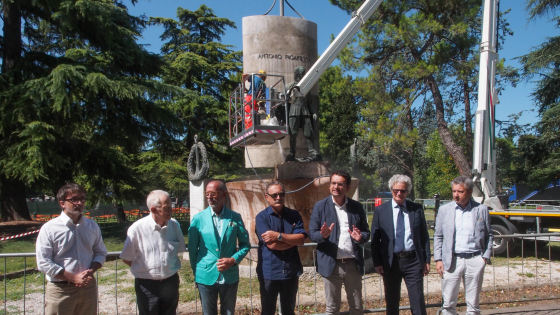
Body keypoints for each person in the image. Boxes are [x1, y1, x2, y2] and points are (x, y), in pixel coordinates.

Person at [36, 183, 107, 315]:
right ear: (62, 203)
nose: (79, 203)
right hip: (60, 290)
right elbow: (43, 262)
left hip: (87, 288)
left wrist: (91, 270)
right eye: (74, 199)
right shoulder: (49, 228)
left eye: (82, 199)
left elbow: (100, 252)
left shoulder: (92, 226)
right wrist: (72, 278)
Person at [308, 170, 370, 314]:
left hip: (352, 264)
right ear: (329, 186)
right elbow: (312, 234)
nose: (336, 187)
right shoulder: (320, 206)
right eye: (333, 183)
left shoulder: (356, 207)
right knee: (332, 308)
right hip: (331, 264)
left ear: (347, 187)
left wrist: (360, 237)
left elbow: (366, 232)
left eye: (340, 184)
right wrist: (323, 235)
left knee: (356, 307)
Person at [188, 180, 251, 315]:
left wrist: (233, 260)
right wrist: (197, 273)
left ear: (224, 195)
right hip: (205, 275)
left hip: (230, 275)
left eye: (213, 194)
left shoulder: (235, 218)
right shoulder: (198, 219)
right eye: (207, 194)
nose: (209, 197)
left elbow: (245, 245)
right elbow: (193, 250)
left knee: (228, 312)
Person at [371, 174, 431, 315]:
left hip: (413, 262)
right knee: (392, 302)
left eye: (403, 191)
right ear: (391, 190)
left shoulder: (416, 209)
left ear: (407, 191)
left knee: (417, 302)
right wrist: (377, 262)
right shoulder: (381, 211)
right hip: (391, 263)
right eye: (396, 190)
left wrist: (427, 259)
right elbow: (375, 239)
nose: (399, 193)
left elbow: (424, 236)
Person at [120, 190, 186, 315]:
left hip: (170, 282)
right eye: (167, 207)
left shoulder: (175, 225)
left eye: (171, 206)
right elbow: (126, 257)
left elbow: (179, 250)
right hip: (147, 285)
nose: (171, 210)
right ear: (154, 209)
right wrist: (146, 270)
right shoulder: (137, 229)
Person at [434, 176, 493, 315]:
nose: (456, 195)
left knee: (473, 304)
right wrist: (438, 259)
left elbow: (489, 234)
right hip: (452, 260)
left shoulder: (481, 209)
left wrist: (485, 257)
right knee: (448, 303)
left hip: (475, 259)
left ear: (470, 191)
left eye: (460, 191)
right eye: (454, 191)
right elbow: (438, 236)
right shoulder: (444, 210)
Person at [255, 182, 307, 315]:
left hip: (290, 271)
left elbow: (301, 239)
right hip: (270, 272)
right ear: (267, 197)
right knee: (268, 311)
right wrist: (292, 240)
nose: (278, 197)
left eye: (281, 194)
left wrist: (278, 236)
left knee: (289, 311)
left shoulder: (294, 215)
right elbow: (271, 245)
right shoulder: (261, 217)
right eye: (274, 195)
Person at [286, 66, 320, 162]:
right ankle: (292, 153)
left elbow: (310, 101)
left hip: (305, 111)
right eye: (300, 73)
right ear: (297, 74)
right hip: (293, 111)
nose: (302, 75)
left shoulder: (307, 86)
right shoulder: (289, 86)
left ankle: (312, 152)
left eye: (303, 73)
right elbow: (285, 101)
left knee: (308, 132)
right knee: (293, 133)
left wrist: (313, 112)